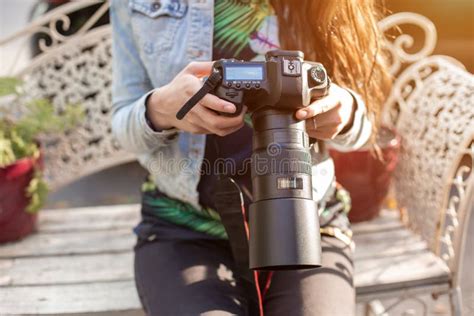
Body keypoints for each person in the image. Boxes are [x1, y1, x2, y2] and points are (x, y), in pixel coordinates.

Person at [110, 0, 391, 315]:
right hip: (186, 225)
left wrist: (347, 112)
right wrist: (160, 109)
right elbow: (122, 125)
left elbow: (367, 127)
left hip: (307, 220)